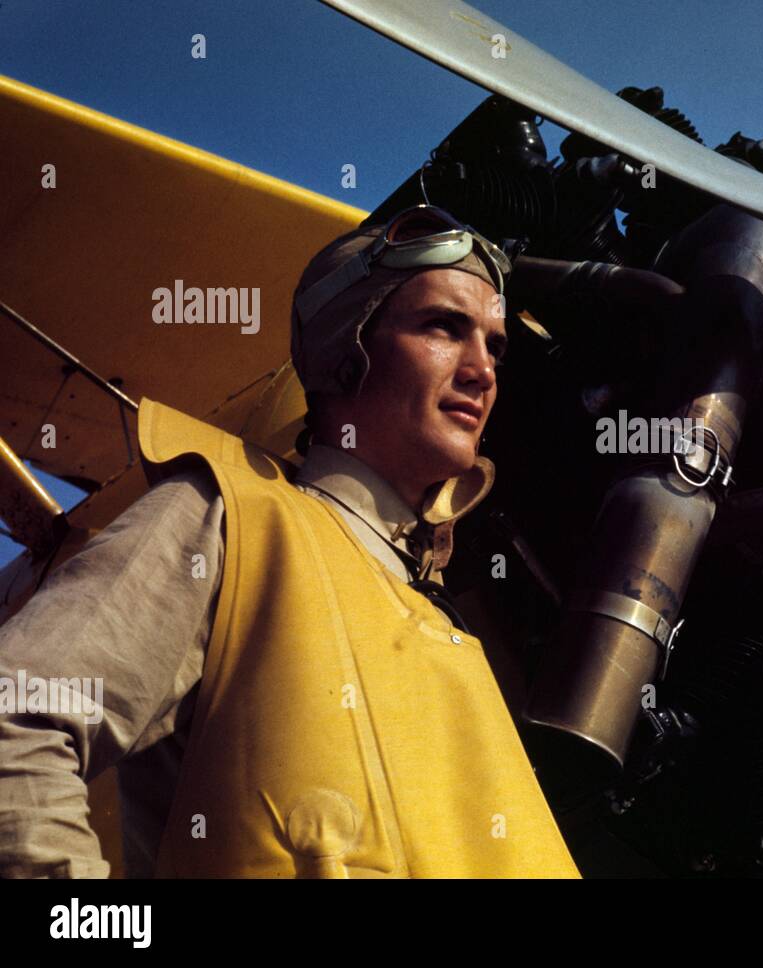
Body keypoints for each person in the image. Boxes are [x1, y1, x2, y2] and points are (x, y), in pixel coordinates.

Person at [0, 205, 580, 878]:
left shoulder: (455, 633)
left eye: (495, 346)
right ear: (347, 350)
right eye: (443, 328)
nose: (483, 371)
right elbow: (16, 726)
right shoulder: (231, 520)